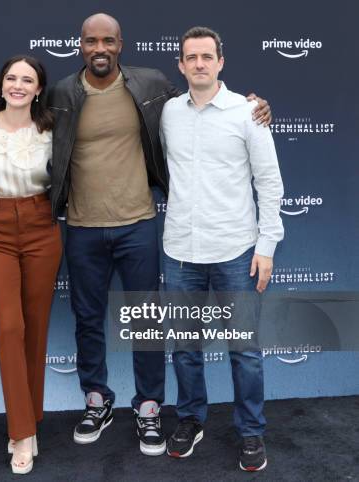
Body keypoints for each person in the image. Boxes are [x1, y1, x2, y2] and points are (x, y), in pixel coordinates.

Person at [47, 13, 272, 456]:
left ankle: (153, 407)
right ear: (80, 45)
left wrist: (257, 105)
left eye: (108, 40)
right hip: (88, 228)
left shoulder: (151, 88)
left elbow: (215, 113)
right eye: (91, 40)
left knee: (152, 325)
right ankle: (101, 402)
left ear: (120, 44)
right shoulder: (61, 93)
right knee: (94, 322)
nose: (100, 48)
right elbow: (24, 118)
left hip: (145, 227)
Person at [160, 26, 283, 472]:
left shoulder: (248, 112)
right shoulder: (169, 113)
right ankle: (190, 420)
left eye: (206, 57)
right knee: (185, 348)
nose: (199, 64)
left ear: (221, 62)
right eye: (190, 57)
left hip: (235, 250)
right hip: (180, 252)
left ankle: (251, 432)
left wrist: (266, 246)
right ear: (180, 64)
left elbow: (268, 182)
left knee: (245, 350)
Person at [0, 55, 62, 475]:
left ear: (39, 88)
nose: (18, 85)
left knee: (35, 327)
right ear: (1, 84)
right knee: (8, 327)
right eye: (11, 78)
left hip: (42, 226)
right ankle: (22, 432)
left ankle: (29, 422)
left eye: (28, 79)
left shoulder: (52, 129)